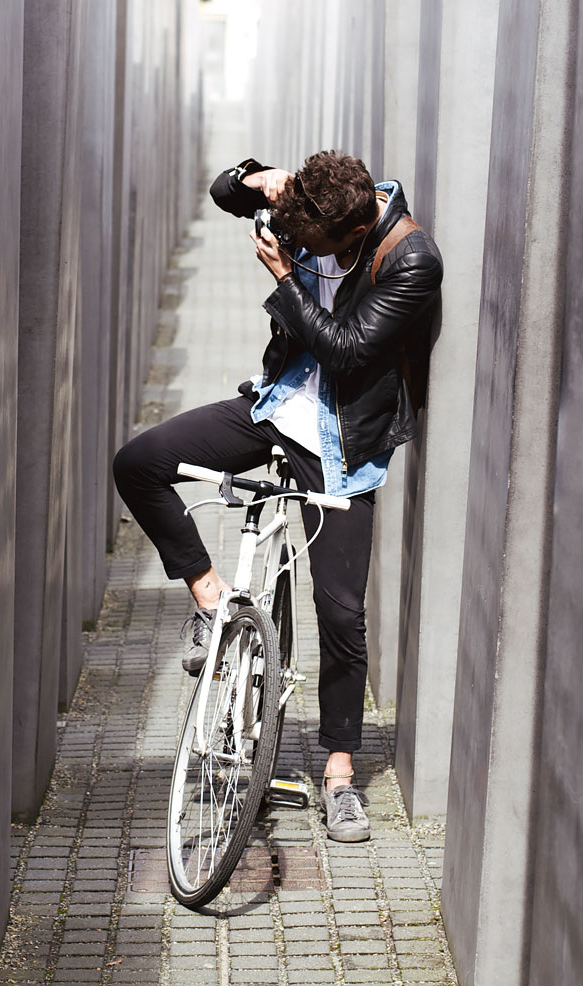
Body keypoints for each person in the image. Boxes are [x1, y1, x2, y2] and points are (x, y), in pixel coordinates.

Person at [112, 150, 443, 843]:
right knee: (139, 463)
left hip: (341, 446)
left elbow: (346, 350)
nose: (296, 242)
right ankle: (212, 601)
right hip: (274, 408)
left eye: (310, 242)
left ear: (353, 234)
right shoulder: (318, 199)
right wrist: (254, 180)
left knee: (341, 614)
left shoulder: (411, 260)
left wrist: (287, 279)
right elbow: (223, 192)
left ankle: (340, 776)